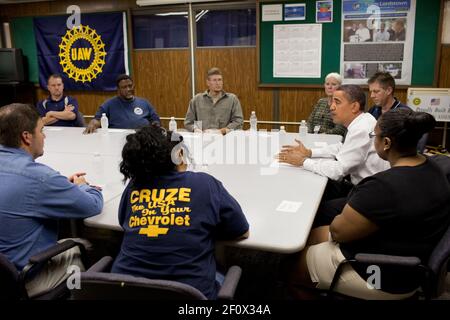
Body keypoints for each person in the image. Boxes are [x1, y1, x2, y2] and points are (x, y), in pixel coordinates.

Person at [289, 109, 450, 300]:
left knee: (289, 267)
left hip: (384, 275)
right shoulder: (437, 167)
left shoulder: (382, 186)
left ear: (387, 143)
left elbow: (339, 231)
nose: (373, 139)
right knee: (310, 237)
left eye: (374, 135)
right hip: (414, 256)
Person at [111, 124, 249, 299]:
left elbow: (124, 222)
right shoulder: (204, 184)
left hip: (124, 291)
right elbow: (242, 232)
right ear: (179, 155)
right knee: (220, 270)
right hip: (188, 293)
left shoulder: (133, 187)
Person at [0, 103, 103, 297]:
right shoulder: (41, 178)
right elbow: (93, 205)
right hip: (25, 278)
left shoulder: (41, 180)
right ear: (26, 137)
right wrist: (82, 185)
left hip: (3, 272)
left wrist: (61, 185)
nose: (44, 136)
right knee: (85, 246)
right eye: (41, 130)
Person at [278, 85, 389, 200]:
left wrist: (303, 161)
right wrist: (309, 152)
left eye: (337, 102)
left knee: (316, 202)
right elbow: (343, 147)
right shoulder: (364, 120)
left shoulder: (361, 129)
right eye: (332, 102)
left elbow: (338, 171)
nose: (331, 107)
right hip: (363, 186)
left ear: (354, 106)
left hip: (366, 195)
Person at [84, 74, 160, 134]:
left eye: (130, 86)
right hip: (117, 138)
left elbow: (155, 119)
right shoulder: (109, 104)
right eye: (124, 87)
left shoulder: (144, 102)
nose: (128, 89)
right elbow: (97, 120)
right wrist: (92, 124)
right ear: (118, 89)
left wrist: (155, 125)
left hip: (142, 138)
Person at [184, 67, 243, 135]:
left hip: (224, 139)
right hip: (202, 139)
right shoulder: (197, 100)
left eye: (220, 80)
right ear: (208, 83)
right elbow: (188, 122)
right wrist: (196, 129)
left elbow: (239, 121)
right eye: (214, 80)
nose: (218, 83)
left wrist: (221, 131)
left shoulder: (232, 99)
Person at [307, 72, 347, 137]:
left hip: (331, 139)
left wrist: (323, 135)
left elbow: (340, 128)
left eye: (333, 84)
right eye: (327, 84)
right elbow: (310, 122)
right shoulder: (321, 101)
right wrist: (309, 134)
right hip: (314, 137)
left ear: (340, 87)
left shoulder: (342, 103)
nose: (330, 87)